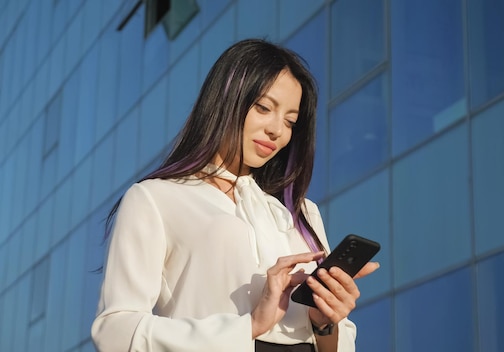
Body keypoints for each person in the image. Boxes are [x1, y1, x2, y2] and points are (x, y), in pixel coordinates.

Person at [91, 38, 379, 352]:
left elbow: (336, 342)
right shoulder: (156, 198)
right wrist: (250, 326)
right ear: (226, 99)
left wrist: (326, 321)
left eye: (290, 121)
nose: (277, 131)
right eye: (264, 108)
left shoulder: (301, 211)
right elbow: (115, 331)